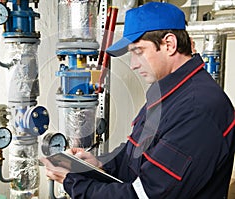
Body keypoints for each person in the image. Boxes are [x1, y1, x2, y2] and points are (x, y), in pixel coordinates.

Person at [40, 2, 235, 198]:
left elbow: (147, 195)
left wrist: (74, 182)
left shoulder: (197, 108)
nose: (133, 64)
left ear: (169, 44)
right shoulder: (170, 92)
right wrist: (100, 165)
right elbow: (139, 152)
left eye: (138, 52)